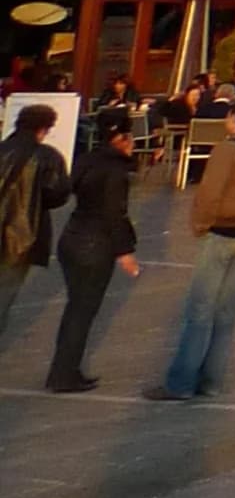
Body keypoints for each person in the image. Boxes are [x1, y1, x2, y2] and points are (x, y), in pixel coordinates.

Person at [148, 91, 235, 401]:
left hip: (222, 233)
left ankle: (181, 383)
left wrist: (200, 224)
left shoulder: (227, 149)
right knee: (226, 313)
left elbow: (209, 194)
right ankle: (212, 382)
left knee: (200, 310)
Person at [42, 121, 140, 392]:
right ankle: (64, 374)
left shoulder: (86, 159)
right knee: (82, 312)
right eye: (129, 138)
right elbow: (114, 213)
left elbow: (67, 190)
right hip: (95, 244)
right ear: (120, 139)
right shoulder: (116, 171)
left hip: (72, 237)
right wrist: (125, 251)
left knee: (75, 308)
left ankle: (63, 369)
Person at [0, 102, 60, 343]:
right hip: (22, 235)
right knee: (4, 295)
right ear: (43, 129)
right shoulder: (47, 156)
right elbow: (58, 193)